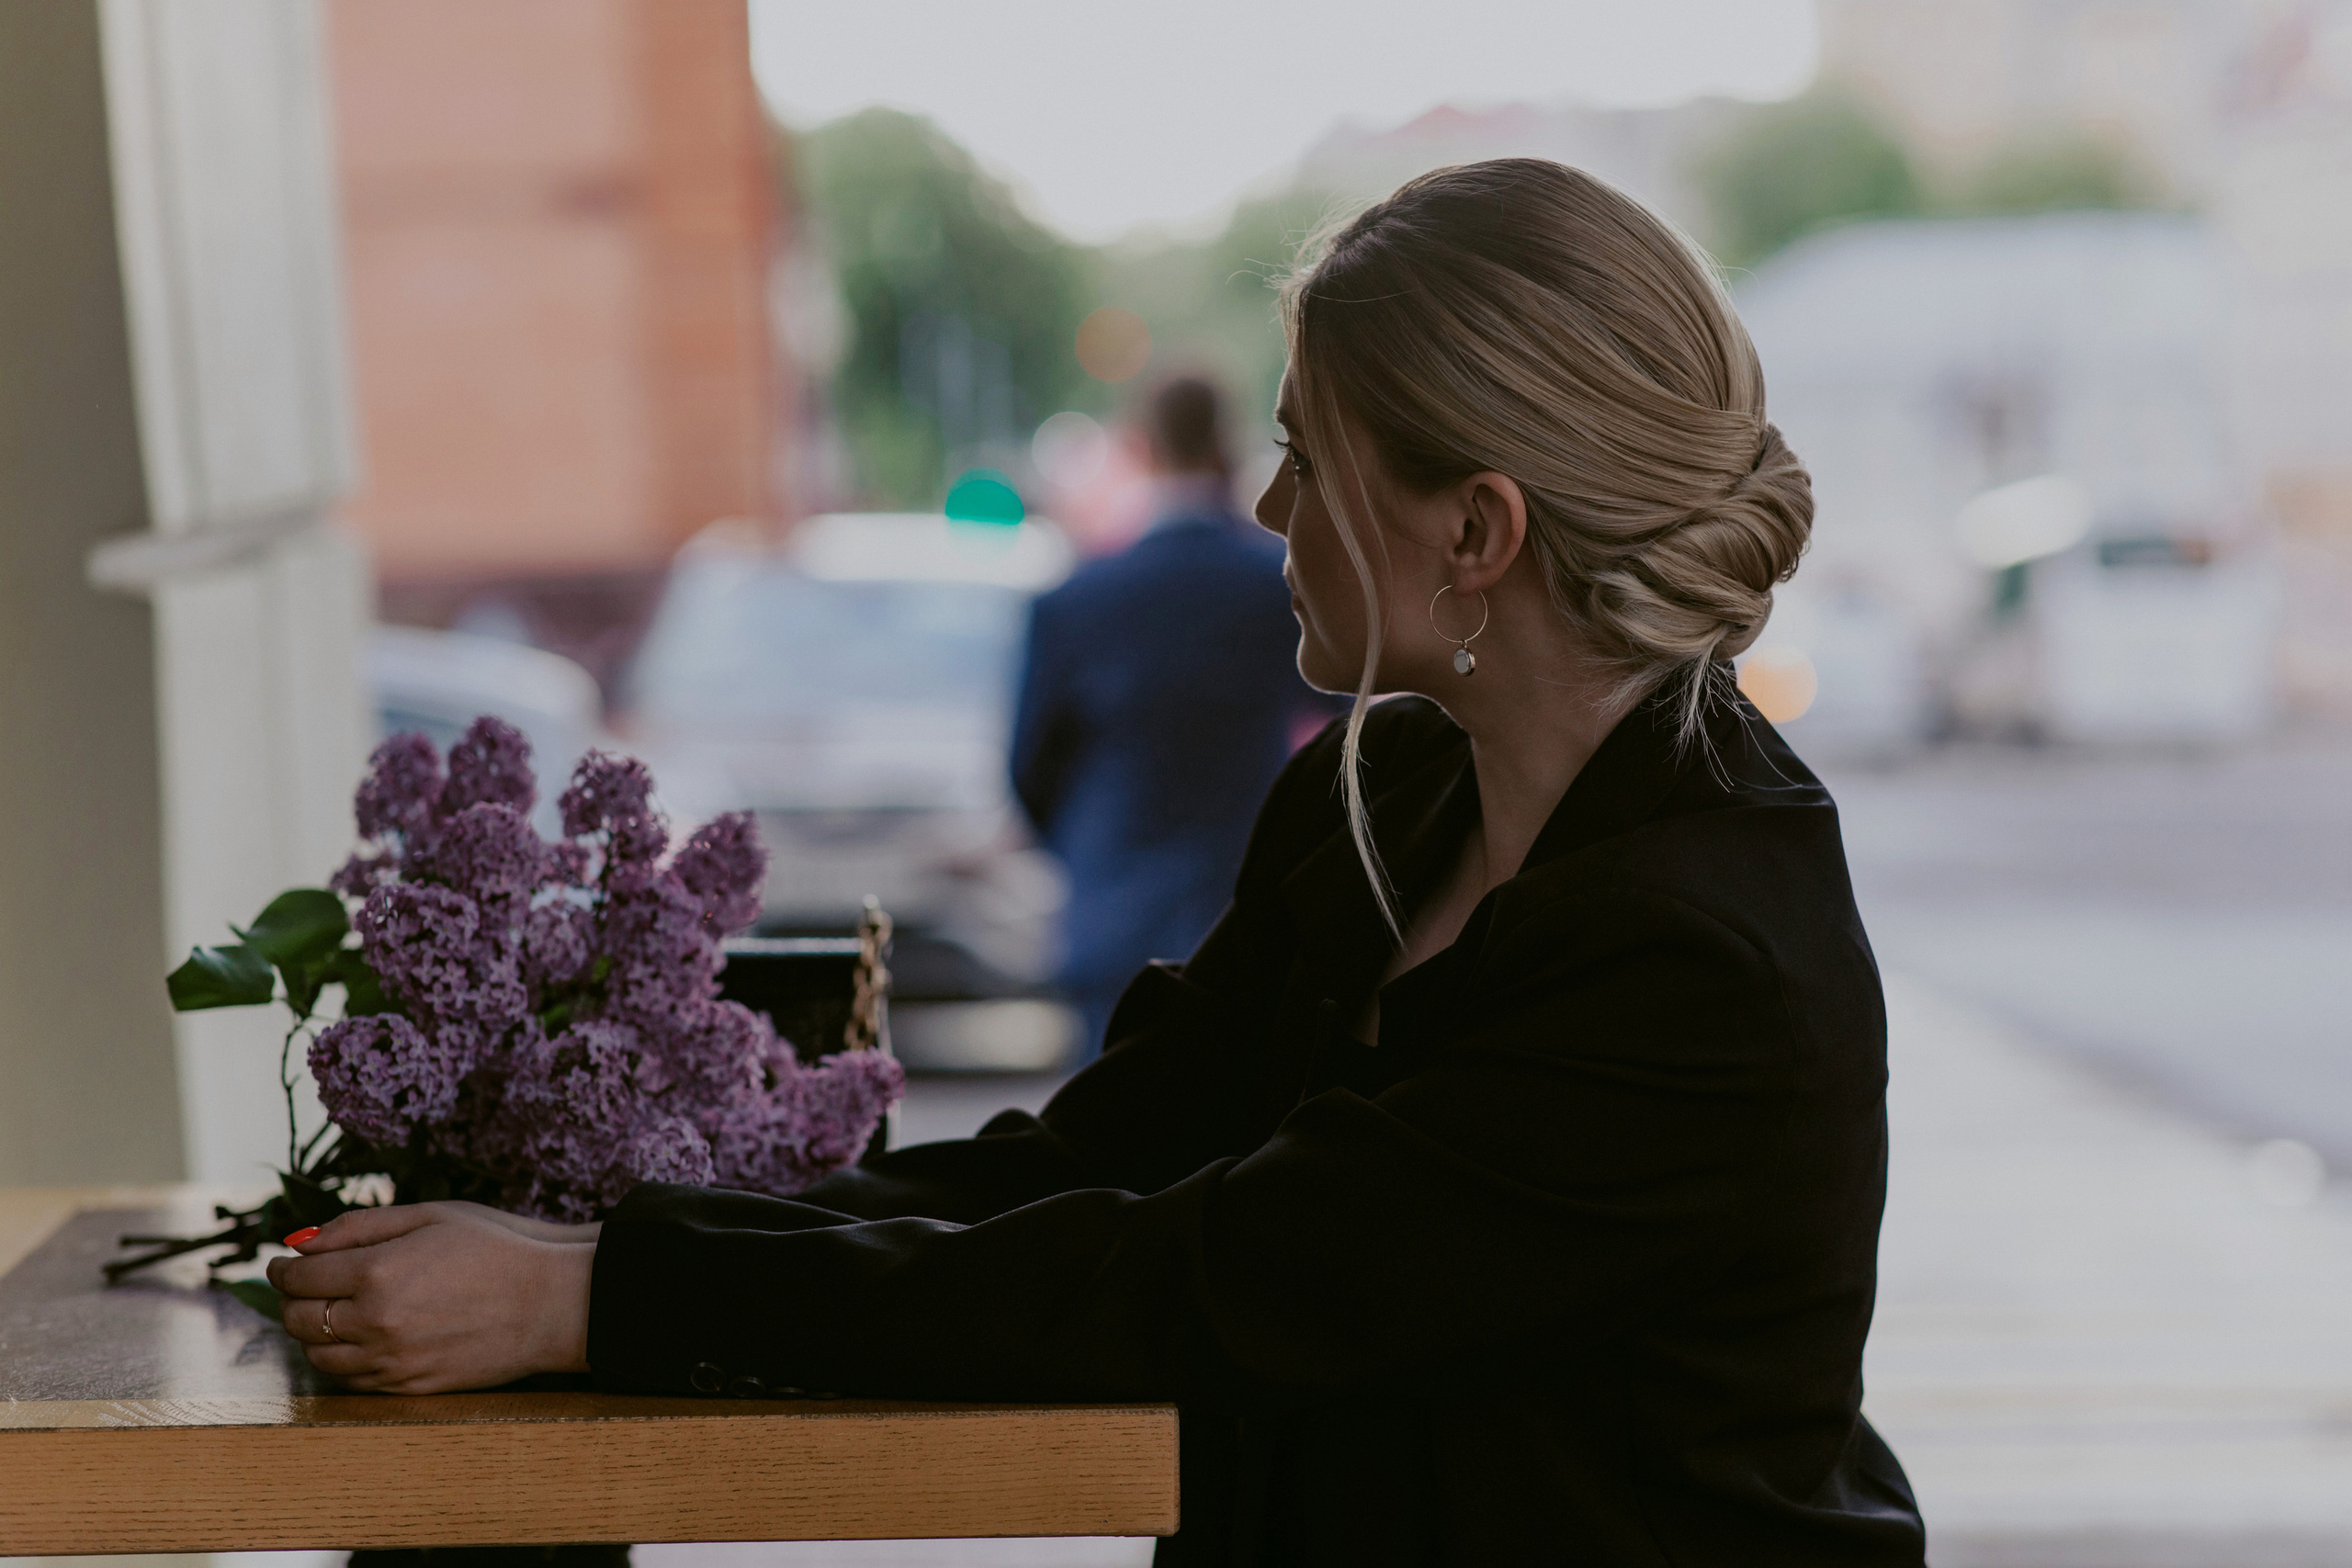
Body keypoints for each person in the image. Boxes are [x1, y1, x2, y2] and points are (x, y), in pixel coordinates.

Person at [268, 159, 1928, 1566]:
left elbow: (1201, 1281)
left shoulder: (1698, 951)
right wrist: (610, 1242)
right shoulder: (1392, 792)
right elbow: (1091, 1164)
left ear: (1477, 531)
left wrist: (597, 1300)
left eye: (1311, 453)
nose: (1271, 506)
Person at [1012, 374, 1337, 1061]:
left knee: (1101, 1146)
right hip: (1249, 913)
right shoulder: (1277, 582)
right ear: (1225, 441)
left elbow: (1029, 769)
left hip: (1112, 918)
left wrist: (1089, 858)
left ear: (1143, 446)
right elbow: (1348, 722)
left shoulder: (1078, 599)